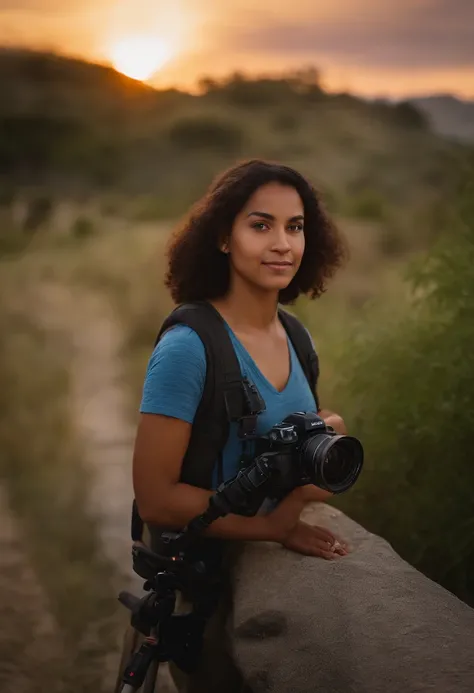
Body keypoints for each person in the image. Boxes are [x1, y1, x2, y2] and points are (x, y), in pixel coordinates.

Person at [131, 158, 349, 690]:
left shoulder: (297, 337)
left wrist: (321, 439)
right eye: (261, 225)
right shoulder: (189, 348)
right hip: (200, 579)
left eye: (294, 227)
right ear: (224, 238)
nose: (282, 244)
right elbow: (156, 497)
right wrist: (271, 529)